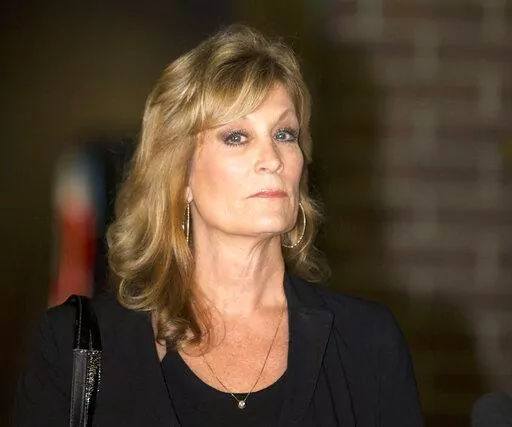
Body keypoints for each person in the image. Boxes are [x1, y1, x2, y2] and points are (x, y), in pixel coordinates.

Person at [12, 25, 423, 426]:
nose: (272, 159)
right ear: (181, 175)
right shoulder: (74, 347)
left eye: (284, 134)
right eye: (237, 137)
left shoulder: (367, 342)